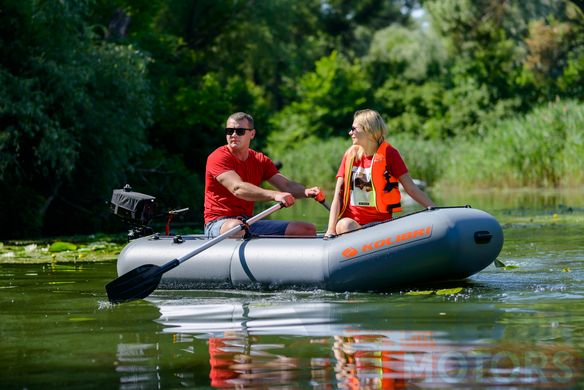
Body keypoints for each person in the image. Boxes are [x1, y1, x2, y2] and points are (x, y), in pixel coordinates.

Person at [204, 112, 321, 238]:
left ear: (252, 134)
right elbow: (237, 188)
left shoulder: (260, 160)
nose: (233, 135)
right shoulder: (218, 157)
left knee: (307, 229)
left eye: (240, 131)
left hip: (248, 222)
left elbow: (286, 185)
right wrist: (274, 195)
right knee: (236, 228)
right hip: (219, 223)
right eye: (229, 131)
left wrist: (306, 192)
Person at [325, 109, 436, 238]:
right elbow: (338, 195)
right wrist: (330, 229)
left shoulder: (390, 154)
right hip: (353, 225)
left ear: (368, 130)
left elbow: (411, 189)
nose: (350, 133)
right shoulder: (350, 155)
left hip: (381, 226)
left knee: (346, 226)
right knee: (344, 225)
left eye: (354, 129)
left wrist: (435, 210)